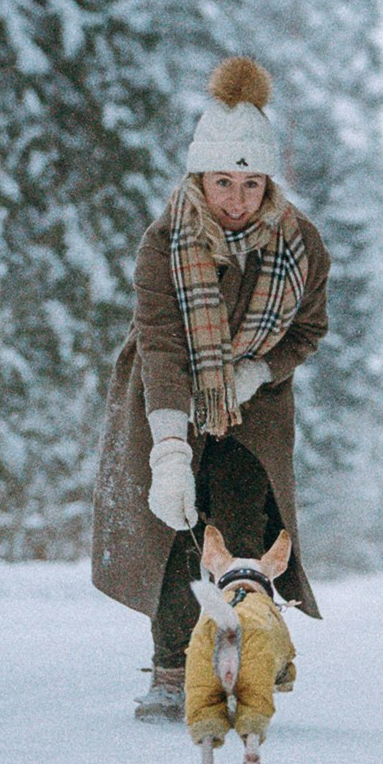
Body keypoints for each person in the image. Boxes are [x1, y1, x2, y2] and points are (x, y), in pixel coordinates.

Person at [90, 56, 331, 722]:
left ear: (267, 182)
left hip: (257, 406)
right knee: (171, 527)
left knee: (240, 530)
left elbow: (309, 328)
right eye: (222, 181)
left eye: (250, 183)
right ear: (201, 178)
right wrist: (169, 447)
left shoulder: (300, 242)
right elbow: (161, 341)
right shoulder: (164, 240)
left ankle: (249, 653)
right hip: (167, 389)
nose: (236, 198)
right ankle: (173, 668)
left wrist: (259, 370)